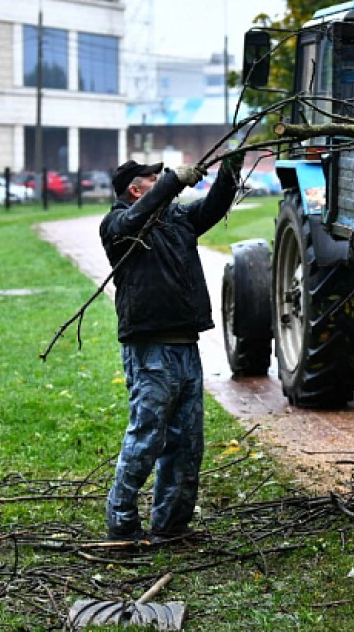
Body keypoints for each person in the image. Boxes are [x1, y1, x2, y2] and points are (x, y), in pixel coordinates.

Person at [98, 152, 243, 542]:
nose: (161, 179)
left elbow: (212, 207)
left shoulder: (175, 221)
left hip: (186, 348)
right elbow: (135, 218)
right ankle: (122, 525)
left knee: (186, 443)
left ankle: (171, 527)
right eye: (154, 177)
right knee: (147, 438)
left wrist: (231, 169)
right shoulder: (117, 225)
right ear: (136, 188)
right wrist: (173, 182)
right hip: (150, 352)